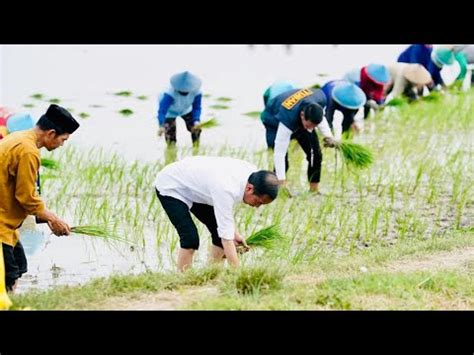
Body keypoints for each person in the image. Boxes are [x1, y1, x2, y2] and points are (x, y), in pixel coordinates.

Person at [0, 104, 79, 293]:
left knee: (18, 266)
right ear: (51, 133)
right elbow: (26, 198)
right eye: (63, 139)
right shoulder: (28, 151)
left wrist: (48, 218)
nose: (62, 144)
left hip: (8, 223)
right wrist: (53, 218)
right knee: (8, 276)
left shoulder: (17, 138)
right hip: (2, 224)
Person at [154, 156, 279, 271]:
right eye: (259, 202)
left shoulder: (255, 176)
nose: (257, 207)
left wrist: (234, 233)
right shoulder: (226, 188)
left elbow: (225, 218)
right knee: (190, 238)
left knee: (219, 235)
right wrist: (239, 275)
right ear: (249, 189)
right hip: (171, 185)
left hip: (199, 189)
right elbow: (226, 238)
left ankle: (212, 274)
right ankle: (183, 280)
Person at [260, 87, 338, 193]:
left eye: (313, 126)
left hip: (298, 117)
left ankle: (314, 190)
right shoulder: (287, 118)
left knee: (315, 154)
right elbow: (279, 152)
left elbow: (320, 118)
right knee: (284, 160)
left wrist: (328, 136)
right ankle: (277, 189)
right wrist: (282, 180)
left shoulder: (319, 99)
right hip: (273, 119)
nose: (310, 129)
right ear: (302, 116)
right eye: (308, 125)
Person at [156, 71, 203, 147]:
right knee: (170, 139)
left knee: (196, 130)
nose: (184, 92)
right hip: (170, 112)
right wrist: (161, 125)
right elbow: (162, 111)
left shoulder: (196, 92)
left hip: (186, 109)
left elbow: (197, 108)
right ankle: (171, 154)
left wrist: (196, 120)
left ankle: (196, 149)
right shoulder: (169, 94)